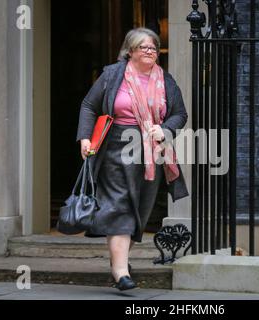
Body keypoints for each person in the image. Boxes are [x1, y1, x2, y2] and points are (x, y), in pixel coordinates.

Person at [75, 28, 189, 290]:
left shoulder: (166, 80)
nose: (150, 52)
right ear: (129, 51)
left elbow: (179, 114)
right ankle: (121, 272)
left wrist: (166, 129)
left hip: (152, 151)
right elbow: (89, 106)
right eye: (143, 47)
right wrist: (85, 137)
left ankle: (120, 261)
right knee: (119, 205)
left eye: (153, 47)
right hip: (115, 147)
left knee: (140, 209)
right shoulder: (113, 75)